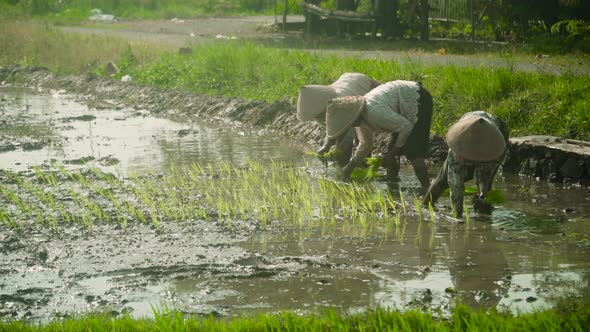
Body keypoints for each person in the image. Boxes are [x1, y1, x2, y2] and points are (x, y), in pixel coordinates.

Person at [319, 80, 433, 192]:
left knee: (413, 150)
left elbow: (406, 126)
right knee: (390, 150)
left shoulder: (373, 112)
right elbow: (365, 143)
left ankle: (426, 188)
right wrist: (350, 166)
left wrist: (394, 151)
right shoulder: (360, 117)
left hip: (417, 98)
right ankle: (392, 186)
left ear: (350, 119)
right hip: (399, 109)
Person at [422, 111, 509, 218]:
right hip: (467, 128)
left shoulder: (492, 146)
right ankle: (425, 205)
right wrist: (457, 215)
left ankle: (483, 213)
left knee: (486, 184)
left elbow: (484, 176)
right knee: (443, 179)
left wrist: (482, 192)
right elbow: (456, 186)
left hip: (493, 133)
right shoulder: (458, 147)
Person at [297, 72, 380, 166]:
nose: (319, 118)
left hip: (365, 85)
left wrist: (339, 151)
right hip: (348, 81)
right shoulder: (318, 113)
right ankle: (343, 165)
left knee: (362, 133)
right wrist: (326, 146)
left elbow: (353, 127)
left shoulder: (341, 102)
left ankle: (363, 163)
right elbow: (333, 130)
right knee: (341, 137)